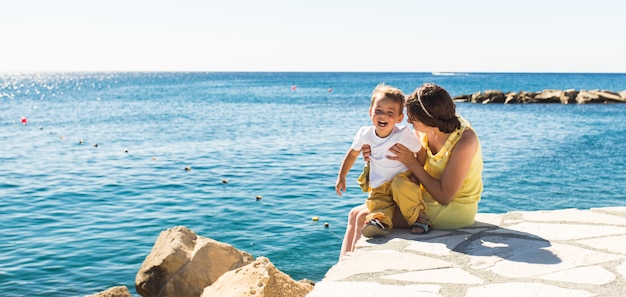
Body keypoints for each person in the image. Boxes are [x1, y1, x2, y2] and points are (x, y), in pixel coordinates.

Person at [339, 83, 483, 258]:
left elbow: (445, 197)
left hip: (452, 209)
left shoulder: (464, 141)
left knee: (364, 217)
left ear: (427, 120)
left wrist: (413, 165)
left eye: (412, 119)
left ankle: (352, 272)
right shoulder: (428, 129)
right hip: (423, 195)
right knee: (354, 213)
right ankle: (340, 269)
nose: (408, 121)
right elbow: (398, 150)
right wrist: (372, 151)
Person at [335, 83, 426, 239]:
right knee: (378, 204)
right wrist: (342, 176)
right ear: (370, 112)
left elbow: (421, 152)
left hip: (402, 178)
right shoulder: (365, 134)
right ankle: (380, 223)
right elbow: (352, 154)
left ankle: (419, 218)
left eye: (390, 112)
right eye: (378, 111)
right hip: (378, 184)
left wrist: (416, 176)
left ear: (399, 118)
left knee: (403, 189)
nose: (383, 116)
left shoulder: (403, 134)